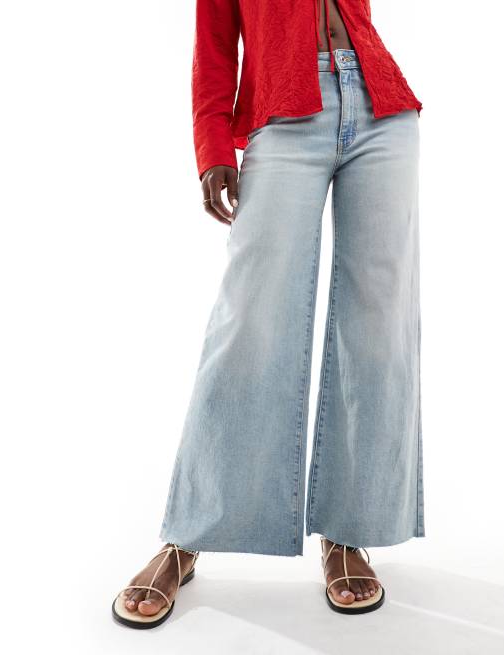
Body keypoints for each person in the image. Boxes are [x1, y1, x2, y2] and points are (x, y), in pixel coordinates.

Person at [112, 0, 424, 627]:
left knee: (376, 327)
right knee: (249, 325)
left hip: (381, 107)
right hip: (283, 117)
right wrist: (212, 148)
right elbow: (213, 51)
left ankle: (347, 533)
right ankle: (186, 535)